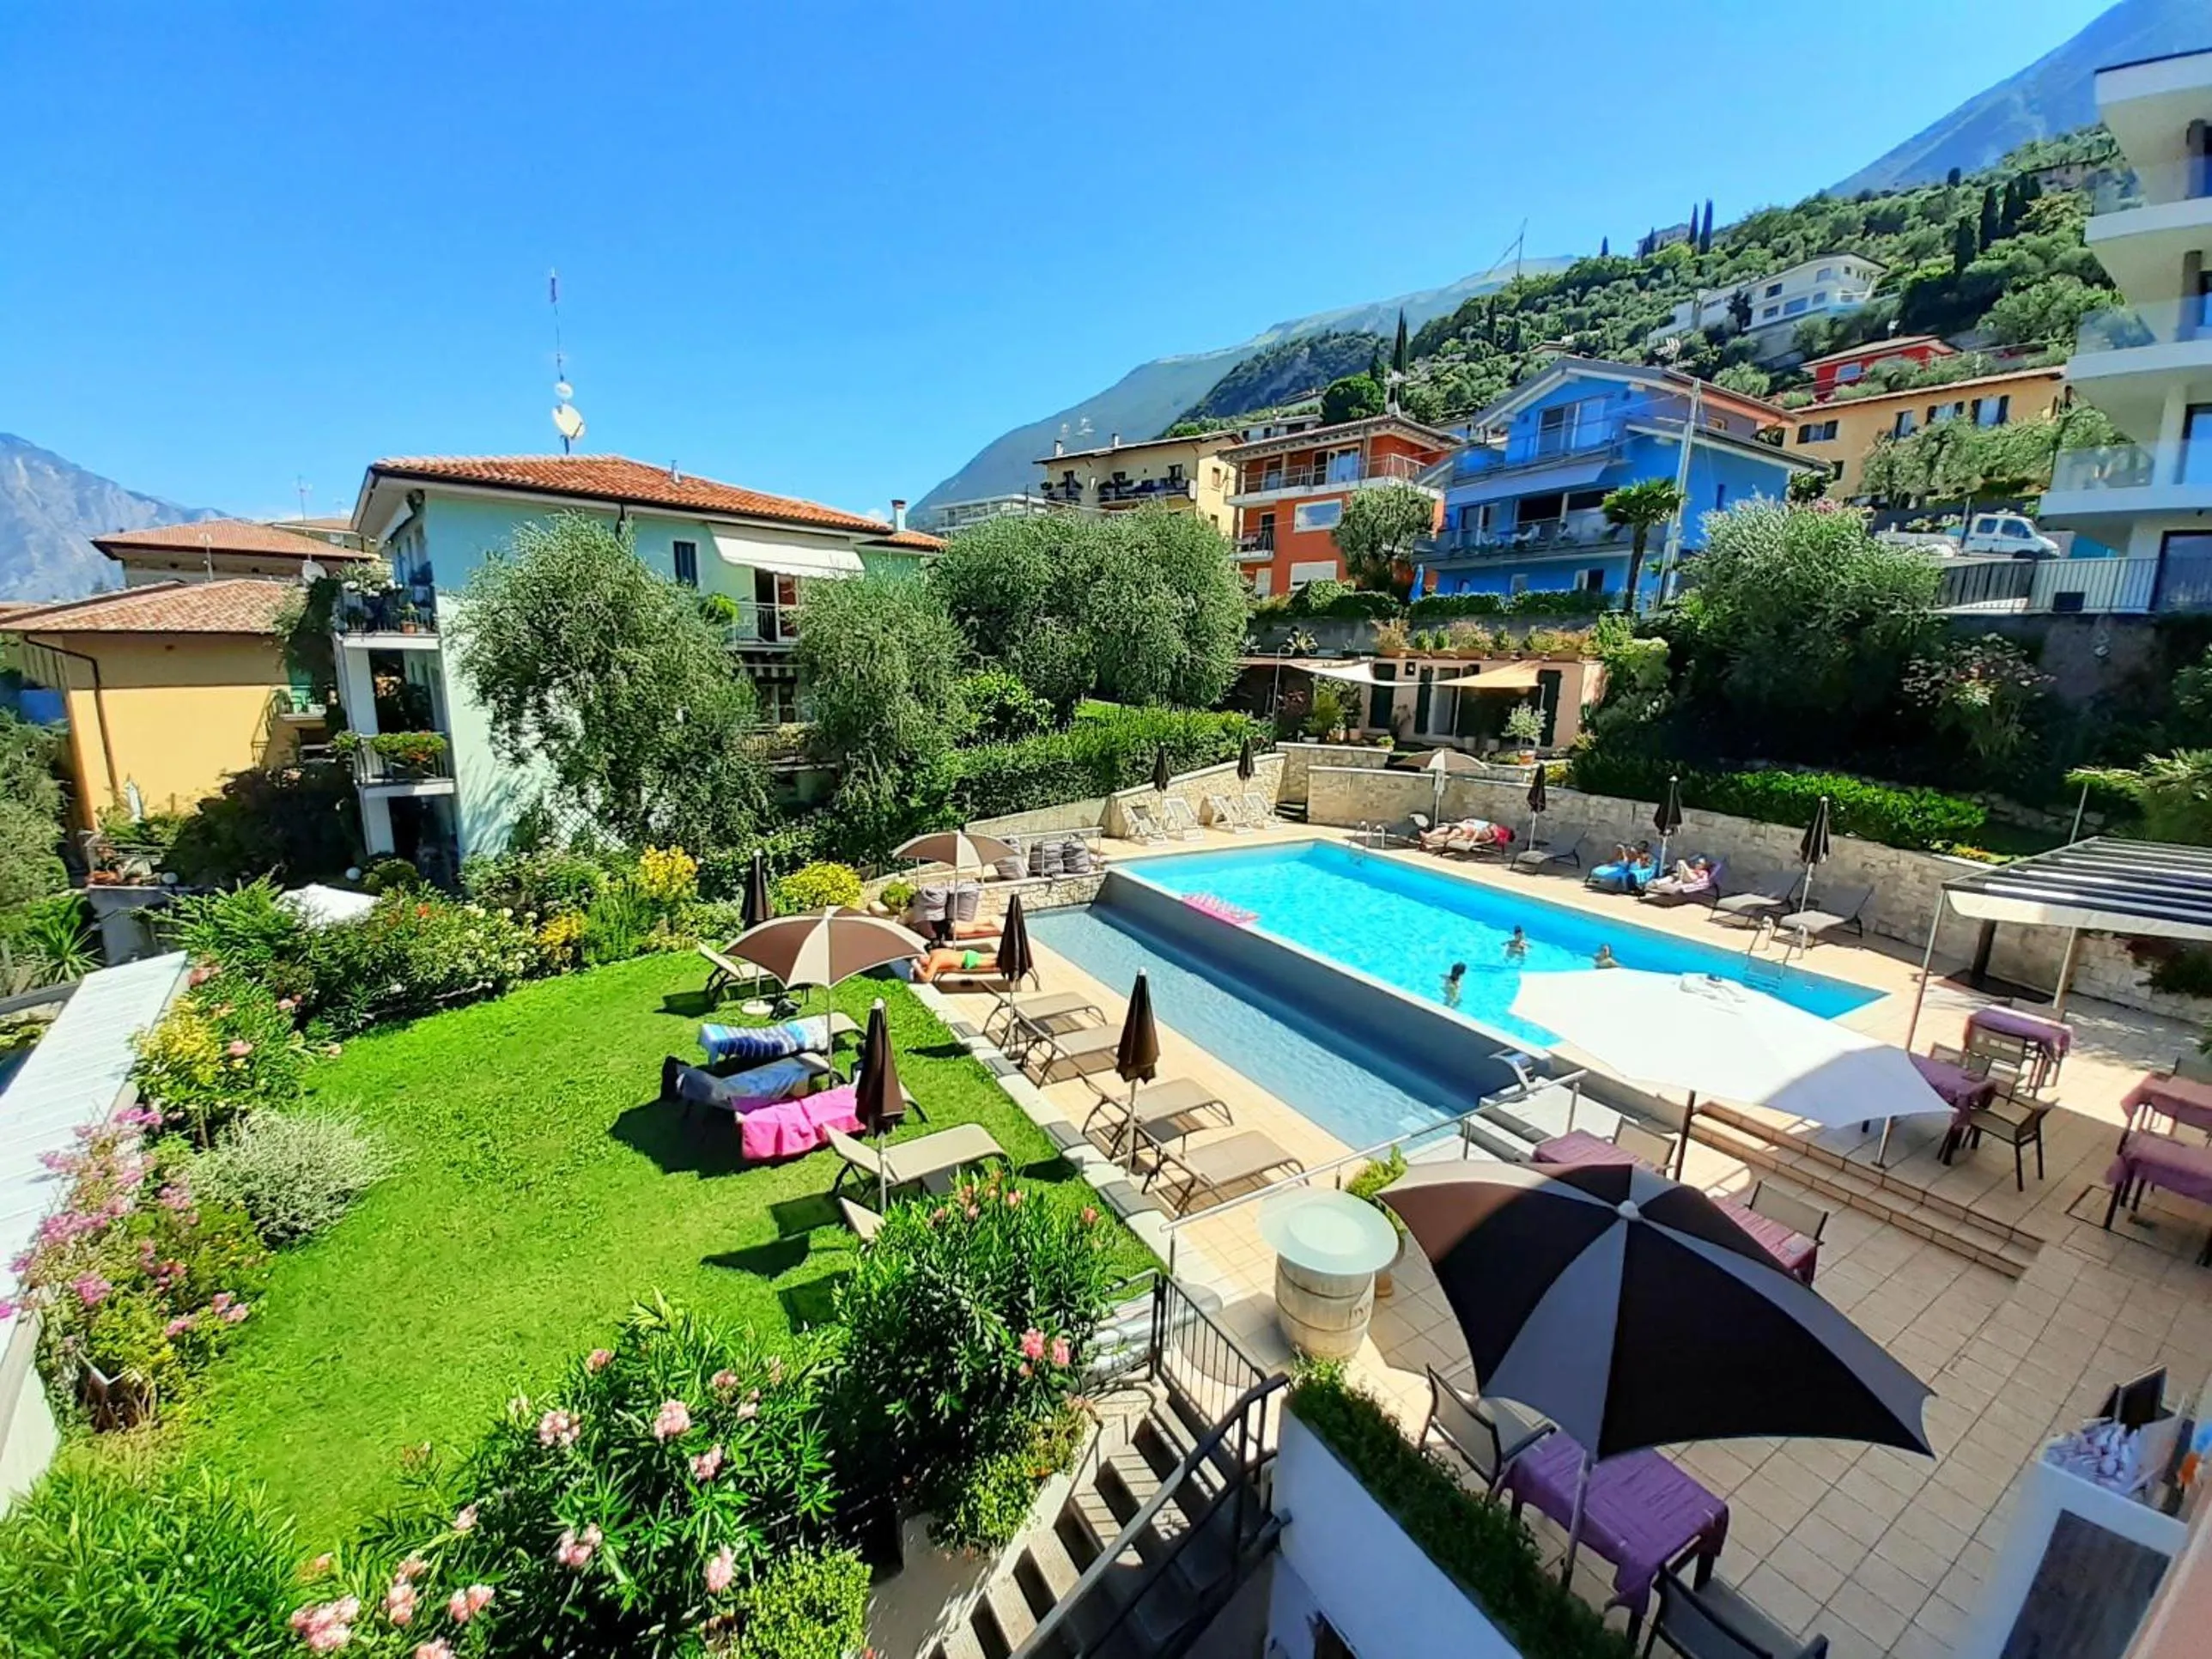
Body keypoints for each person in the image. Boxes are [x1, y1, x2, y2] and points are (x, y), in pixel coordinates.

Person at [915, 945, 997, 983]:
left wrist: (917, 967)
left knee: (995, 963)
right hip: (967, 953)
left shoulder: (935, 961)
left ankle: (1007, 962)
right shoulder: (934, 952)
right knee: (994, 957)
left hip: (967, 960)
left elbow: (926, 979)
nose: (922, 964)